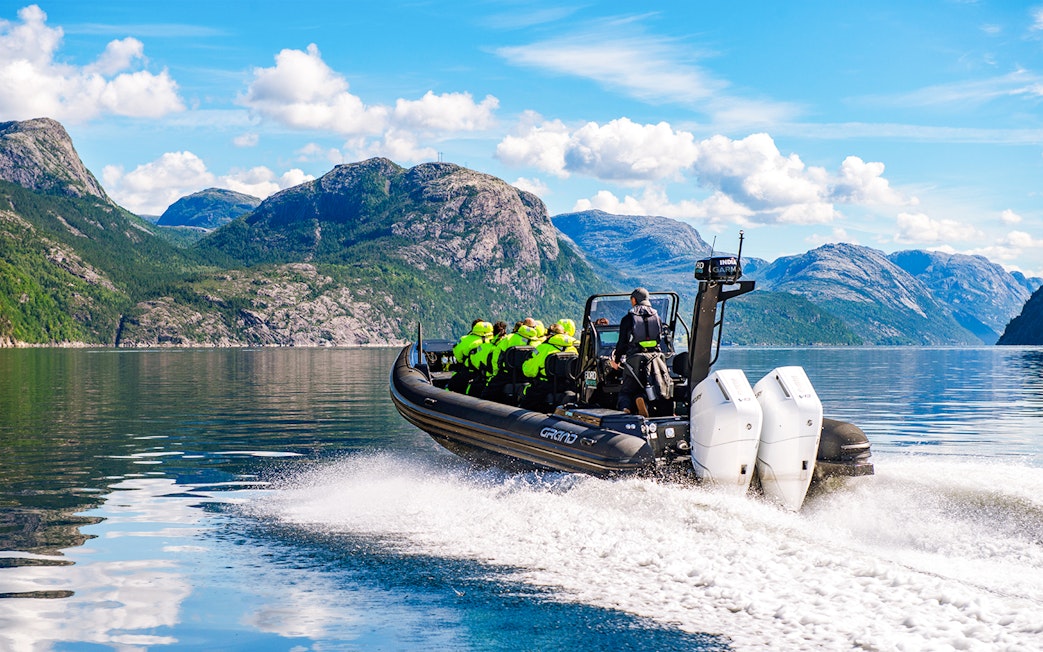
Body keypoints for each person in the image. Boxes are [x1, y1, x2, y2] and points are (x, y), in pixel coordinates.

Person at [611, 288, 672, 415]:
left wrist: (616, 361)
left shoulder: (628, 318)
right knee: (651, 385)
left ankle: (625, 409)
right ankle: (645, 402)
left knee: (626, 390)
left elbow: (622, 343)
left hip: (634, 359)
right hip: (655, 358)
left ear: (634, 300)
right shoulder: (657, 317)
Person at [520, 323, 579, 410]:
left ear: (549, 334)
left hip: (545, 386)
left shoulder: (542, 348)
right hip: (568, 385)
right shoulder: (573, 349)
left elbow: (529, 371)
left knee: (527, 401)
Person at [447, 319, 493, 393]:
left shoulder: (465, 340)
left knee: (452, 385)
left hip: (469, 372)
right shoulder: (495, 340)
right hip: (488, 375)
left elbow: (458, 356)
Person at [467, 320, 508, 395]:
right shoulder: (507, 344)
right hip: (506, 378)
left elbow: (473, 361)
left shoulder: (484, 347)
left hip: (487, 380)